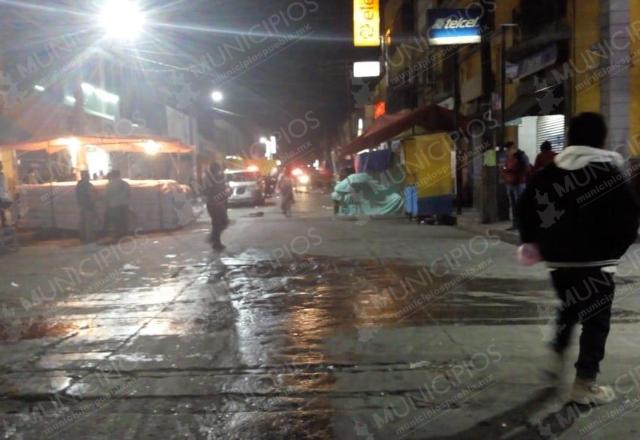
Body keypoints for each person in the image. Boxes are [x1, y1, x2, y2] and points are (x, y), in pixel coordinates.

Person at [519, 112, 639, 405]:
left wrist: (536, 243)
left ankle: (554, 361)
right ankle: (584, 383)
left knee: (568, 309)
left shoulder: (547, 175)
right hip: (597, 264)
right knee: (596, 322)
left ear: (570, 138)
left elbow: (525, 209)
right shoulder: (611, 174)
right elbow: (629, 218)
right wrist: (613, 251)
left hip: (559, 264)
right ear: (601, 138)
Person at [501, 142, 530, 230]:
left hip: (519, 184)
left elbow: (527, 169)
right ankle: (515, 224)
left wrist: (516, 173)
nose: (507, 152)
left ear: (513, 148)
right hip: (510, 184)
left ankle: (523, 225)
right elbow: (504, 168)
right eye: (506, 151)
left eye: (508, 150)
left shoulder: (522, 156)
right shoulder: (508, 158)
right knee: (513, 205)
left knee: (520, 205)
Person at [202, 163, 229, 251]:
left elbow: (224, 188)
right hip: (214, 204)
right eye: (218, 169)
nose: (219, 171)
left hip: (220, 203)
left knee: (222, 222)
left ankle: (214, 239)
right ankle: (215, 242)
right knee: (219, 223)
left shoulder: (219, 178)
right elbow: (207, 191)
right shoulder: (208, 179)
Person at [105, 170, 130, 240]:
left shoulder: (109, 184)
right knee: (124, 221)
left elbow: (107, 195)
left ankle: (118, 236)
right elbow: (129, 195)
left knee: (116, 222)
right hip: (124, 205)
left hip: (114, 206)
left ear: (113, 175)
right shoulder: (125, 184)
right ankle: (125, 235)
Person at [75, 170, 97, 243]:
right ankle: (89, 239)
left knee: (82, 223)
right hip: (88, 206)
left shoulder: (79, 185)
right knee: (89, 224)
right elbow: (92, 195)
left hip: (81, 206)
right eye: (87, 174)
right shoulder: (87, 185)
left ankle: (83, 238)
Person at [0, 162, 12, 228]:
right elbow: (4, 186)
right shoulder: (2, 175)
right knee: (2, 209)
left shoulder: (2, 175)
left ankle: (4, 222)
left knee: (2, 210)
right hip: (1, 195)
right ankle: (4, 223)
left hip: (2, 195)